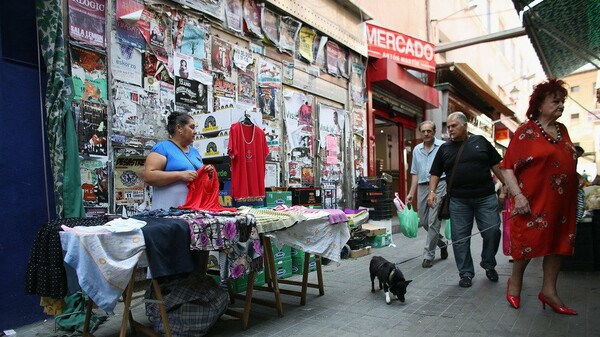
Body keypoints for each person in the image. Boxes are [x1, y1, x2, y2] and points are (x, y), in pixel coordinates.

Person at [501, 79, 578, 314]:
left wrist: (572, 155)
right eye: (555, 101)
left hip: (561, 202)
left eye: (562, 101)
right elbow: (507, 167)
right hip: (533, 201)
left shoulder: (562, 130)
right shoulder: (526, 132)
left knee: (558, 244)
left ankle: (549, 291)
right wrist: (518, 196)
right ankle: (515, 285)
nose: (561, 106)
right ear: (540, 104)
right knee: (526, 244)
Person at [427, 111, 503, 288]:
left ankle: (489, 263)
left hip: (485, 197)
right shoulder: (444, 149)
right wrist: (432, 191)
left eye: (454, 126)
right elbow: (435, 172)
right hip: (459, 201)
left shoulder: (481, 142)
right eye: (448, 127)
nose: (450, 130)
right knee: (460, 239)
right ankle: (466, 273)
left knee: (492, 231)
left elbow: (497, 165)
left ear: (465, 125)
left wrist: (507, 186)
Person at [144, 111, 214, 210]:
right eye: (192, 127)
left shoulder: (195, 152)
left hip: (193, 209)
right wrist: (180, 175)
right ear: (179, 128)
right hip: (167, 210)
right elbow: (149, 176)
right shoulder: (162, 148)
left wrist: (207, 173)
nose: (195, 132)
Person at [406, 121, 448, 268]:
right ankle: (442, 243)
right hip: (423, 186)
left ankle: (428, 255)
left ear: (434, 131)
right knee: (423, 221)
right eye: (423, 131)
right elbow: (415, 173)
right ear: (420, 132)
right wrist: (411, 193)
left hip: (440, 184)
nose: (426, 134)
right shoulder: (417, 149)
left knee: (433, 221)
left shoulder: (443, 146)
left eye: (429, 131)